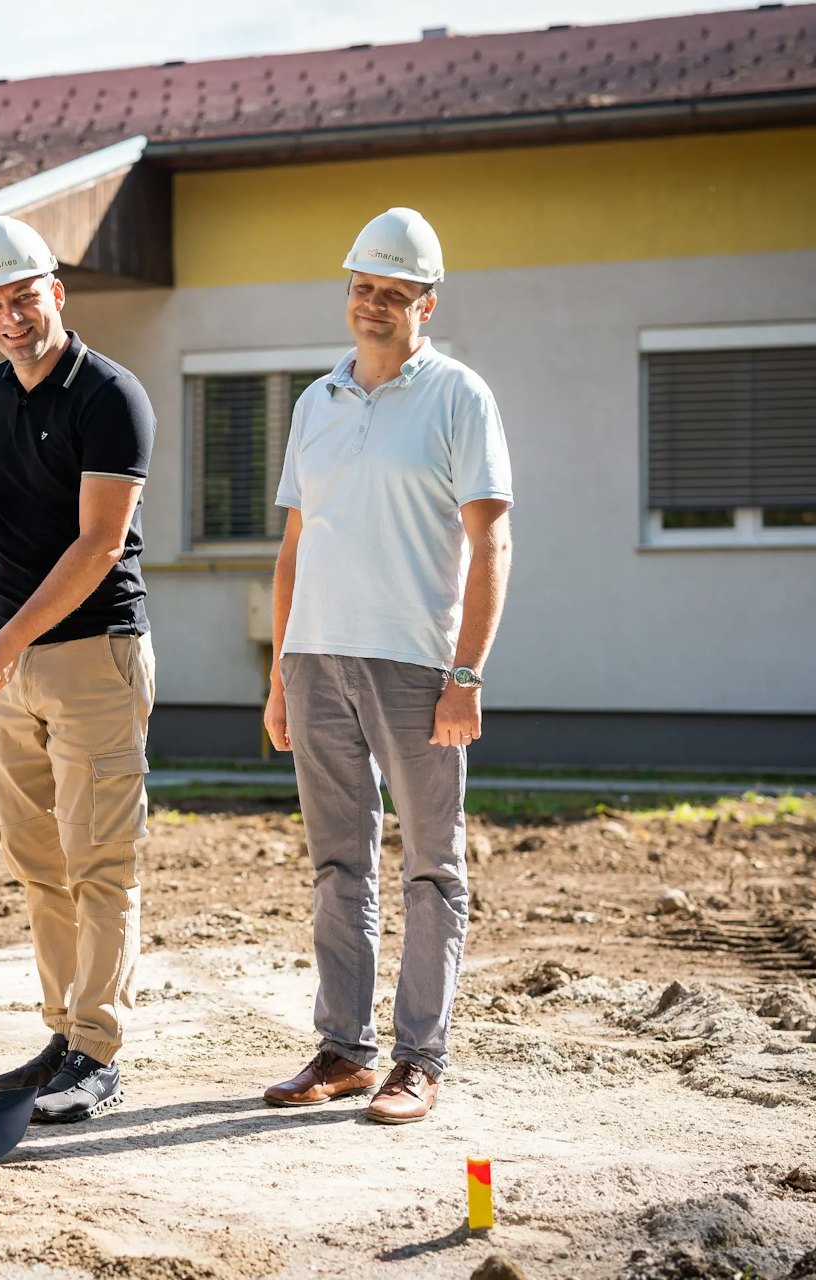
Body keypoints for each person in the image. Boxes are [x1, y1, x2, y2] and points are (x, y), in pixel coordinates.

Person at [261, 208, 514, 1124]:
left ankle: (420, 1058)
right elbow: (294, 548)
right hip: (314, 660)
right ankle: (344, 1050)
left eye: (393, 293)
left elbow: (492, 543)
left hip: (415, 666)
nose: (372, 304)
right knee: (338, 862)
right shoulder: (314, 402)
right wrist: (279, 674)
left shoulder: (459, 397)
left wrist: (466, 674)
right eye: (362, 287)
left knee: (431, 867)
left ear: (426, 304)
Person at [0, 215, 156, 1125]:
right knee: (39, 863)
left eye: (24, 299)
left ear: (55, 293)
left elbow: (100, 543)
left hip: (92, 653)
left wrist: (5, 641)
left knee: (100, 859)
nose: (10, 318)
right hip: (12, 660)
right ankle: (62, 1034)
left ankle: (98, 1051)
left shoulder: (111, 395)